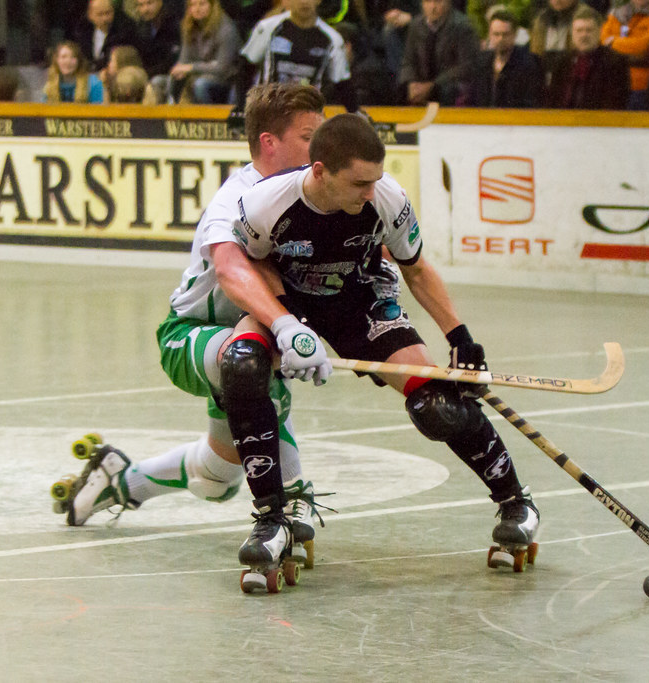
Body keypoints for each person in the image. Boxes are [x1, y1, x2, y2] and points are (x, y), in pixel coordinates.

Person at [230, 112, 540, 576]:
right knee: (242, 366)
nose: (370, 192)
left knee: (436, 404)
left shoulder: (387, 198)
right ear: (320, 172)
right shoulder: (264, 205)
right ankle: (272, 521)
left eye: (375, 180)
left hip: (361, 300)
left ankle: (517, 503)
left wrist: (460, 337)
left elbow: (415, 268)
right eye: (359, 184)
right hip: (290, 300)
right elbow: (251, 266)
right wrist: (286, 323)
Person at [56, 84, 332, 571]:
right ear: (270, 143)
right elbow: (233, 271)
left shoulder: (301, 193)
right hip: (190, 337)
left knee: (216, 474)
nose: (321, 149)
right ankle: (291, 499)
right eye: (310, 136)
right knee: (256, 365)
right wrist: (287, 325)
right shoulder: (239, 199)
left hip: (243, 336)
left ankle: (118, 478)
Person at [233, 0, 359, 111]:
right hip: (269, 110)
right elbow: (245, 68)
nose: (304, 2)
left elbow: (342, 83)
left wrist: (355, 113)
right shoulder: (267, 28)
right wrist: (241, 107)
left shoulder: (332, 39)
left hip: (308, 112)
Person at [543, 5, 630, 108]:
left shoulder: (615, 62)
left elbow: (615, 103)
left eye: (589, 30)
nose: (583, 35)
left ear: (599, 32)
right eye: (579, 31)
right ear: (572, 33)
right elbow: (552, 100)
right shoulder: (562, 62)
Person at [398, 0, 481, 105]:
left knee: (449, 91)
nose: (433, 7)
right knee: (400, 86)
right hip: (422, 83)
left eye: (438, 2)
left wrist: (433, 85)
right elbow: (408, 59)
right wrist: (411, 82)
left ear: (448, 3)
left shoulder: (463, 27)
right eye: (428, 2)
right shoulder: (416, 25)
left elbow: (466, 66)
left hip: (448, 84)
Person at [599, 0, 649, 105]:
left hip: (646, 85)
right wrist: (628, 46)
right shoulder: (619, 12)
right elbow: (602, 40)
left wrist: (613, 42)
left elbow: (646, 46)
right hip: (614, 81)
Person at [168, 0, 240, 103]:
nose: (197, 9)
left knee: (200, 84)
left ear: (212, 6)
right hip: (201, 73)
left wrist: (191, 68)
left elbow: (222, 68)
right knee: (168, 79)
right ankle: (171, 116)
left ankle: (208, 118)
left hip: (227, 79)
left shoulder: (226, 29)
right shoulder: (189, 27)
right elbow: (184, 60)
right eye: (193, 5)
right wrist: (179, 71)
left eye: (202, 4)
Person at [470, 9, 543, 106]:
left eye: (505, 34)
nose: (500, 39)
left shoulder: (528, 64)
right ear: (490, 35)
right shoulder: (481, 62)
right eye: (496, 34)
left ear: (514, 34)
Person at [69, 0, 137, 74]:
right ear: (90, 15)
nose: (105, 18)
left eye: (108, 13)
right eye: (100, 14)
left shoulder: (124, 32)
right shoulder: (82, 31)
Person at [132, 0, 182, 96]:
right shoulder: (141, 26)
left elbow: (172, 59)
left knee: (156, 82)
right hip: (147, 73)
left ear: (160, 2)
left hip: (169, 74)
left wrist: (146, 74)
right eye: (141, 5)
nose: (145, 9)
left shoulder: (173, 23)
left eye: (149, 3)